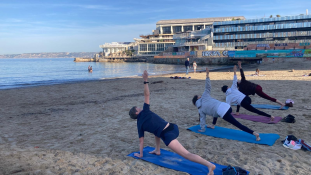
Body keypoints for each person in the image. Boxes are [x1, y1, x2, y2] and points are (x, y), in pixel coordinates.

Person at [129, 70, 216, 175]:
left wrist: (141, 154)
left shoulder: (139, 125)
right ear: (137, 112)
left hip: (168, 134)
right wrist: (145, 81)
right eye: (137, 107)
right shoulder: (145, 111)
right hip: (172, 127)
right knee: (156, 131)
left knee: (186, 154)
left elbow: (141, 142)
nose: (139, 107)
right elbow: (147, 95)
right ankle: (157, 150)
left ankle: (209, 165)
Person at [192, 68, 260, 141]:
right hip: (227, 107)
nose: (200, 95)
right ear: (198, 98)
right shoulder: (205, 96)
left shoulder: (200, 109)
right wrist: (207, 76)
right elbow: (208, 87)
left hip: (222, 111)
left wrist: (203, 129)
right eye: (199, 96)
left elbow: (202, 119)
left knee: (238, 124)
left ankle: (255, 134)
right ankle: (213, 125)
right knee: (215, 109)